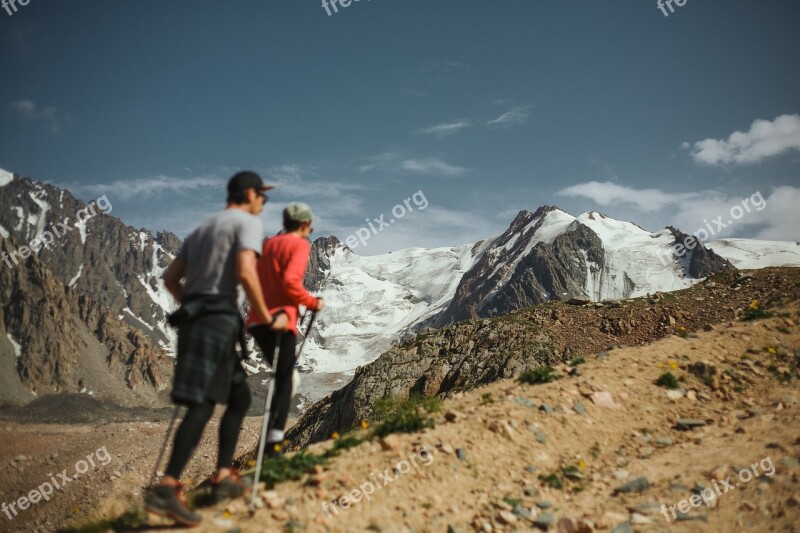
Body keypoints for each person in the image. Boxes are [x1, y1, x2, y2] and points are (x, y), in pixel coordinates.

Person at [145, 171, 285, 527]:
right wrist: (266, 318)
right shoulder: (246, 223)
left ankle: (222, 476)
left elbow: (169, 279)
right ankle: (168, 486)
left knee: (237, 398)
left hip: (196, 320)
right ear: (250, 194)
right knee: (205, 404)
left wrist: (194, 302)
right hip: (218, 320)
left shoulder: (203, 228)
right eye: (262, 196)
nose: (264, 203)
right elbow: (245, 272)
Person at [247, 202, 324, 457]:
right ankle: (272, 447)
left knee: (283, 379)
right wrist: (312, 302)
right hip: (282, 322)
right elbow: (291, 282)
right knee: (287, 381)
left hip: (257, 321)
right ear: (304, 224)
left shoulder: (268, 245)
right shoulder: (300, 245)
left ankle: (270, 443)